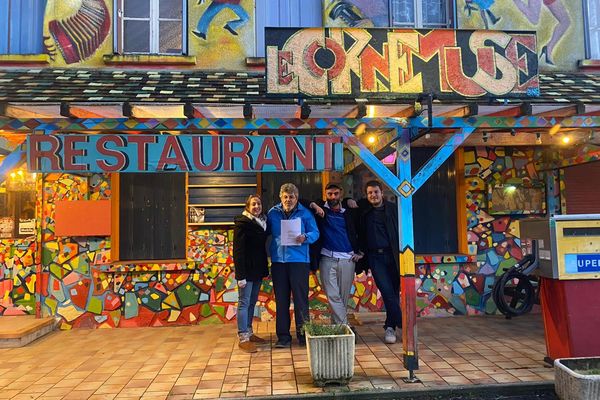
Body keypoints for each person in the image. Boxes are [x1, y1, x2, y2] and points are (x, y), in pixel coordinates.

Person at [267, 183, 319, 348]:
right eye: (286, 197)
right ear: (280, 198)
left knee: (301, 300)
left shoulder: (305, 213)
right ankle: (283, 337)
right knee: (281, 300)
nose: (288, 200)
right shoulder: (272, 213)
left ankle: (303, 336)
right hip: (278, 262)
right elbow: (264, 231)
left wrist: (306, 236)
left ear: (297, 198)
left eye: (292, 197)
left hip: (299, 262)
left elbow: (315, 233)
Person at [308, 183, 363, 326]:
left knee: (342, 297)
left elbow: (364, 227)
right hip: (327, 258)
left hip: (348, 259)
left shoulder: (349, 211)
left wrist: (361, 252)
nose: (333, 197)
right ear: (325, 195)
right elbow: (300, 201)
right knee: (332, 295)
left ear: (341, 194)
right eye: (330, 194)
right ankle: (345, 326)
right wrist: (313, 204)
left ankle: (338, 326)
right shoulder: (321, 210)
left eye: (336, 194)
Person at [357, 180, 402, 344]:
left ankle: (390, 326)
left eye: (376, 192)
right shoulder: (365, 211)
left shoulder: (394, 209)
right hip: (375, 258)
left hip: (394, 256)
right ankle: (404, 323)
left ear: (382, 193)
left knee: (394, 293)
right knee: (387, 292)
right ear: (366, 195)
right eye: (370, 193)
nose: (373, 195)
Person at [233, 195, 269, 353]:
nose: (257, 206)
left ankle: (249, 331)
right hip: (246, 271)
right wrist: (240, 276)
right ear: (247, 206)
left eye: (259, 204)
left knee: (252, 302)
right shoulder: (243, 224)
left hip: (257, 270)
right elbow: (238, 251)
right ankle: (243, 337)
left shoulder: (261, 222)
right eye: (254, 204)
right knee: (244, 303)